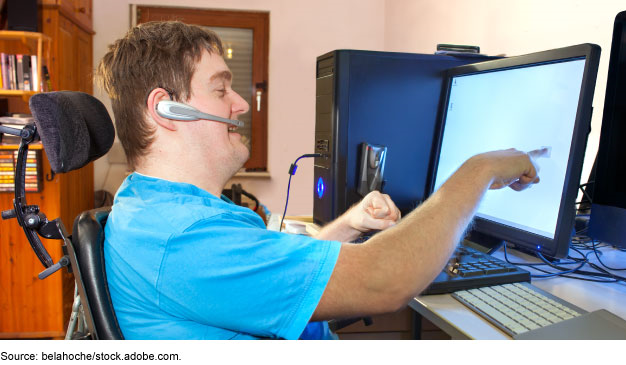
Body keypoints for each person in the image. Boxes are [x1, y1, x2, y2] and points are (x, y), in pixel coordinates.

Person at [97, 21, 544, 340]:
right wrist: (479, 169)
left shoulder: (151, 205)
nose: (240, 104)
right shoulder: (185, 239)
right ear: (166, 110)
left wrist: (350, 223)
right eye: (220, 89)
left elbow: (273, 276)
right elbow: (387, 280)